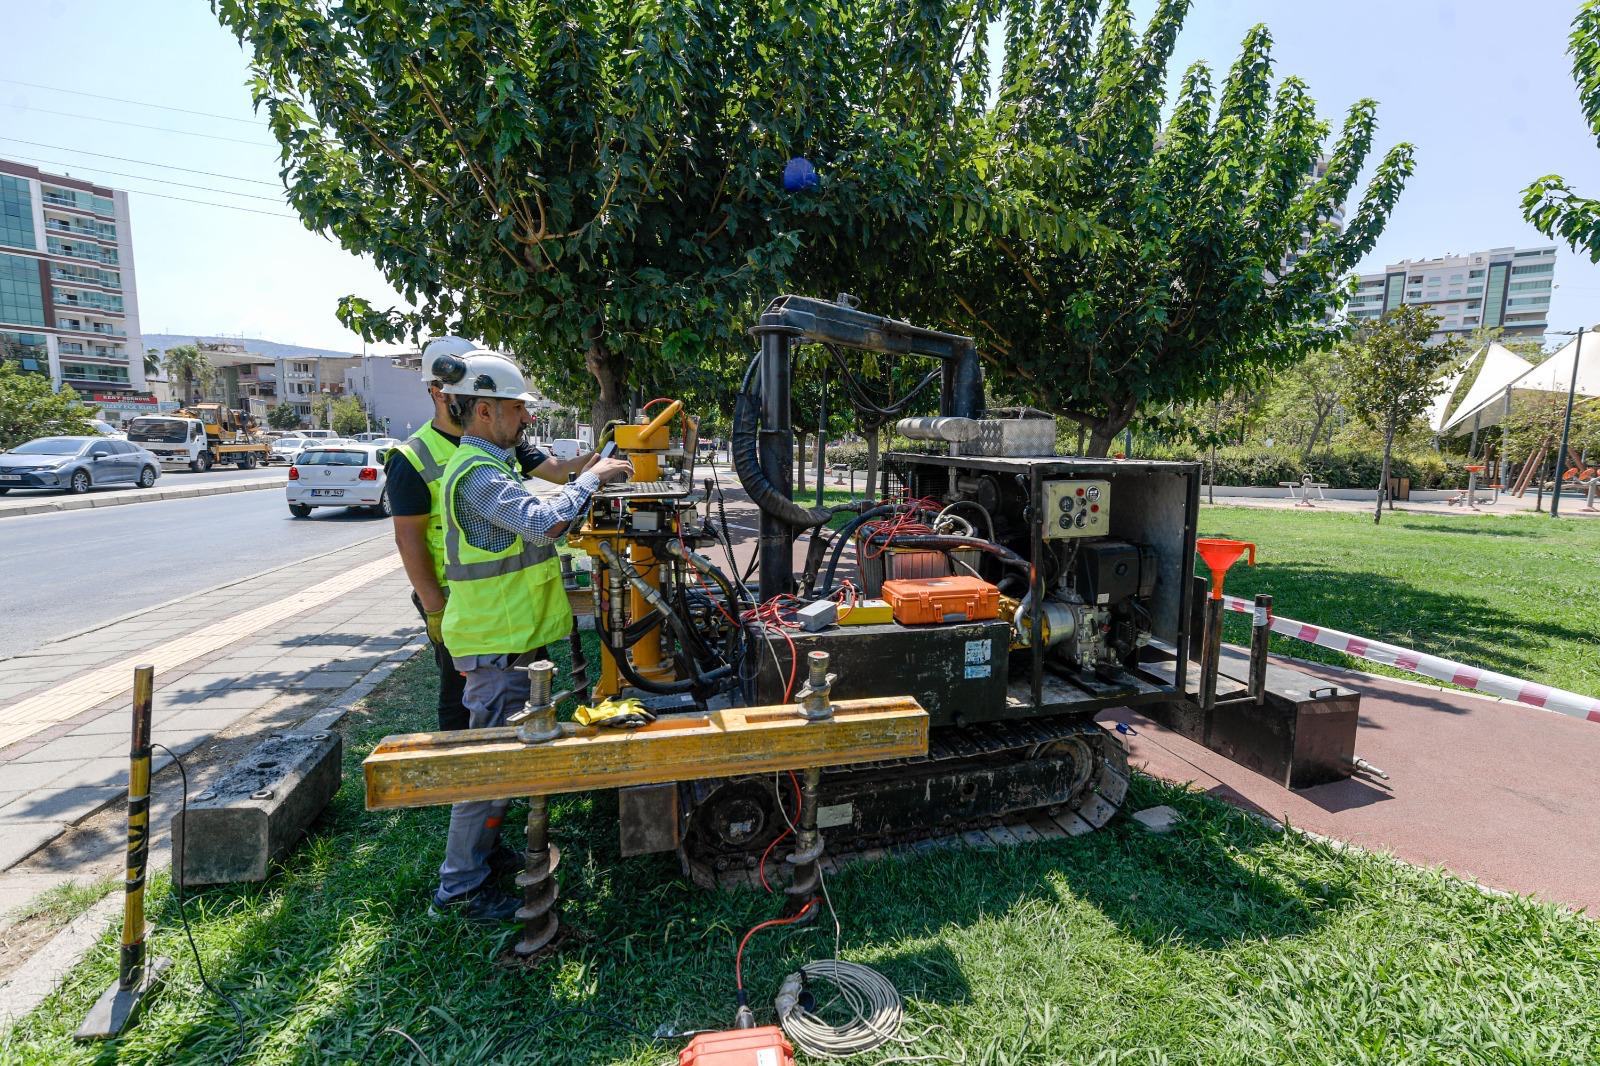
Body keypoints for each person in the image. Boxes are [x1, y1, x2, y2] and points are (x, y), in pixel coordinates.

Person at [429, 351, 632, 921]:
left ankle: (485, 857)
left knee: (504, 765)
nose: (527, 418)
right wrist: (591, 479)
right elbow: (542, 523)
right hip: (496, 646)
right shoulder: (476, 474)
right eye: (518, 409)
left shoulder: (494, 466)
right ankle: (459, 887)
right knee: (489, 768)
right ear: (485, 410)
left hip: (508, 642)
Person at [387, 337, 600, 732]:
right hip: (477, 614)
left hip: (505, 616)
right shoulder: (439, 460)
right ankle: (462, 760)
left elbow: (556, 472)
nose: (527, 418)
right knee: (473, 716)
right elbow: (408, 540)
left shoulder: (498, 449)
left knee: (514, 717)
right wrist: (435, 608)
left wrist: (600, 459)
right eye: (518, 407)